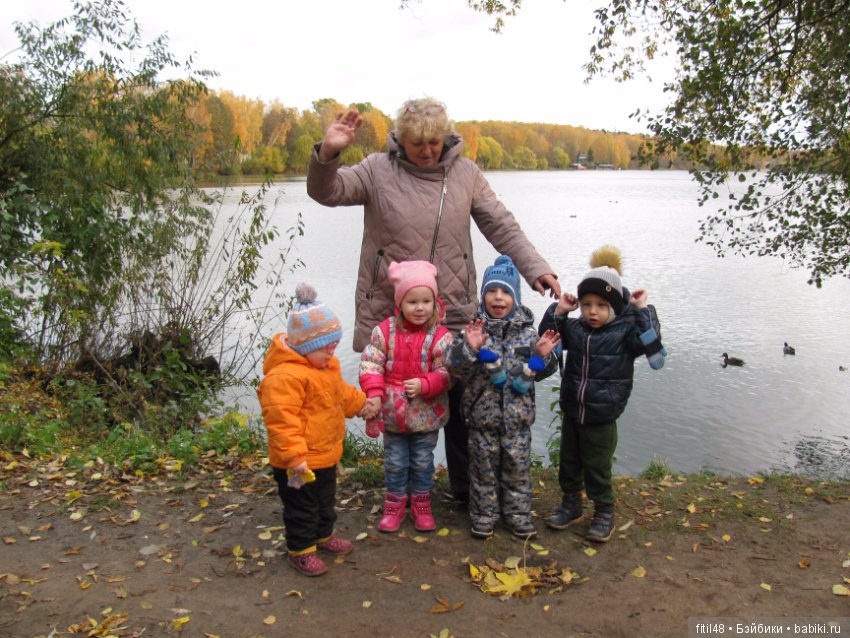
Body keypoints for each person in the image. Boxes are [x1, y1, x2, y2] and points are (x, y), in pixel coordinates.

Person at [307, 97, 561, 503]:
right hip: (393, 318)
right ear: (400, 141)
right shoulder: (376, 170)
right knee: (402, 408)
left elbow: (501, 224)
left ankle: (467, 494)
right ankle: (404, 497)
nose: (427, 151)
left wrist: (535, 267)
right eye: (417, 144)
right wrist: (329, 153)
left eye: (434, 142)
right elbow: (328, 191)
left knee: (464, 411)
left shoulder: (465, 173)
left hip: (455, 313)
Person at [539, 246, 666, 543]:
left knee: (597, 466)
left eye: (600, 305)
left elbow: (654, 350)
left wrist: (644, 311)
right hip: (572, 409)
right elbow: (547, 339)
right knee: (569, 462)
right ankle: (571, 503)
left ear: (614, 306)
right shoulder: (578, 329)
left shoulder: (626, 333)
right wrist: (559, 311)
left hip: (602, 414)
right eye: (586, 304)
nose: (592, 311)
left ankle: (603, 511)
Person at [256, 283, 377, 576]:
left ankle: (323, 536)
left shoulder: (325, 367)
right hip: (297, 462)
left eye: (334, 345)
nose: (332, 352)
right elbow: (282, 422)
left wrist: (363, 404)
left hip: (324, 454)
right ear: (306, 346)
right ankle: (300, 549)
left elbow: (340, 394)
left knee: (325, 500)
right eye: (326, 347)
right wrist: (295, 458)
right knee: (301, 508)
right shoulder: (285, 377)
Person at [447, 256, 560, 539]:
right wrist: (471, 350)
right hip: (481, 420)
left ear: (516, 297)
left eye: (505, 292)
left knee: (517, 470)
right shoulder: (473, 331)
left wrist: (544, 356)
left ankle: (518, 516)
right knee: (482, 471)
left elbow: (546, 370)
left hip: (517, 421)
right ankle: (484, 516)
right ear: (483, 295)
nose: (498, 298)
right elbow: (455, 368)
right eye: (491, 291)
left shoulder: (529, 334)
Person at [359, 260, 454, 533]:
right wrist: (374, 394)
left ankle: (422, 502)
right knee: (395, 460)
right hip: (392, 413)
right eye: (412, 301)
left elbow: (448, 372)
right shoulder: (384, 331)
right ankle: (395, 502)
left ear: (435, 302)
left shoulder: (441, 336)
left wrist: (426, 384)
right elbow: (371, 364)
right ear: (399, 303)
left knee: (423, 460)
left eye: (426, 301)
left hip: (426, 412)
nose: (420, 307)